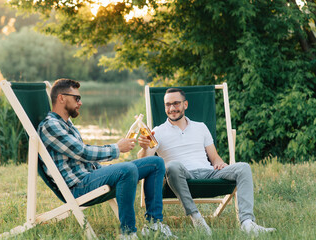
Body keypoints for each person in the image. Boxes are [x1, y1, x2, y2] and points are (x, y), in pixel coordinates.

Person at [37, 79, 176, 239]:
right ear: (61, 98)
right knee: (127, 169)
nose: (80, 103)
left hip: (90, 176)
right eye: (77, 98)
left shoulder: (67, 124)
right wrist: (117, 148)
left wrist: (109, 168)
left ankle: (154, 224)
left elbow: (82, 158)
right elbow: (82, 152)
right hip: (78, 187)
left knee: (156, 163)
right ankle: (128, 233)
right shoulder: (51, 126)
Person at [137, 88, 276, 236]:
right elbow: (146, 161)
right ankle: (196, 218)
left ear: (185, 104)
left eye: (176, 103)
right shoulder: (157, 132)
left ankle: (247, 223)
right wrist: (145, 147)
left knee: (243, 167)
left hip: (208, 173)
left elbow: (215, 158)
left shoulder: (201, 127)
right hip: (180, 175)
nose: (172, 108)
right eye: (168, 104)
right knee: (171, 165)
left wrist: (220, 164)